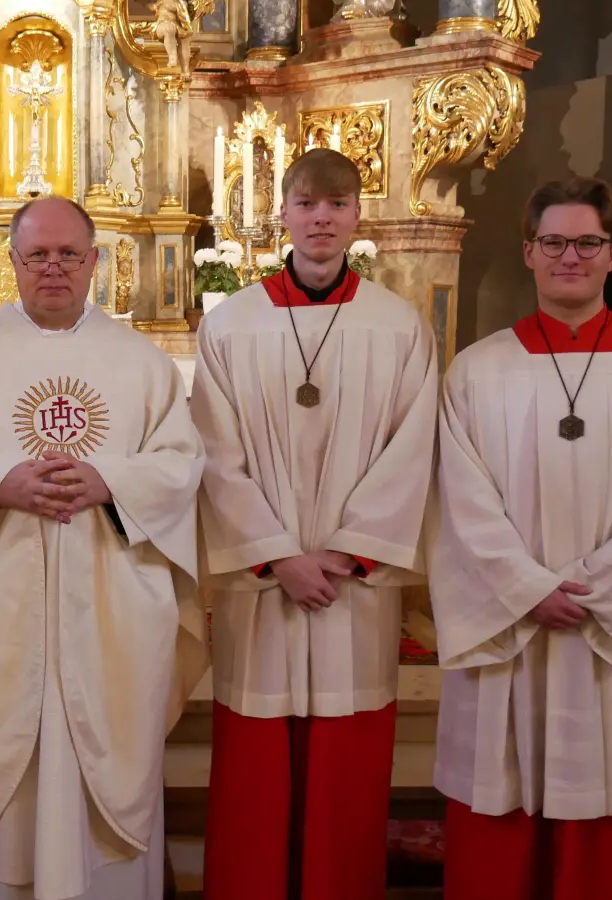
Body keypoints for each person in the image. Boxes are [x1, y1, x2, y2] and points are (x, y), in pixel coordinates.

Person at [0, 196, 208, 900]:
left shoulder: (141, 362)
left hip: (110, 610)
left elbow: (182, 464)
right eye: (37, 256)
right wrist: (0, 482)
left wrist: (107, 479)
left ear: (94, 263)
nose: (52, 267)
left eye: (67, 255)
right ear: (14, 263)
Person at [431, 176, 612, 900]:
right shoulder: (476, 371)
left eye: (588, 242)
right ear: (528, 253)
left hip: (611, 634)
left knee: (609, 815)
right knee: (502, 801)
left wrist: (592, 590)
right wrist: (528, 590)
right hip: (513, 629)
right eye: (554, 242)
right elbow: (460, 502)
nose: (570, 257)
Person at [190, 148, 438, 900]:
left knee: (346, 770)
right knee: (255, 774)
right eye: (307, 204)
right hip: (264, 587)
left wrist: (346, 554)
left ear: (358, 215)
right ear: (284, 215)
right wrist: (276, 557)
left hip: (352, 589)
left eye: (337, 204)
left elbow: (414, 447)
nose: (322, 218)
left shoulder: (398, 325)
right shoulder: (232, 322)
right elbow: (210, 450)